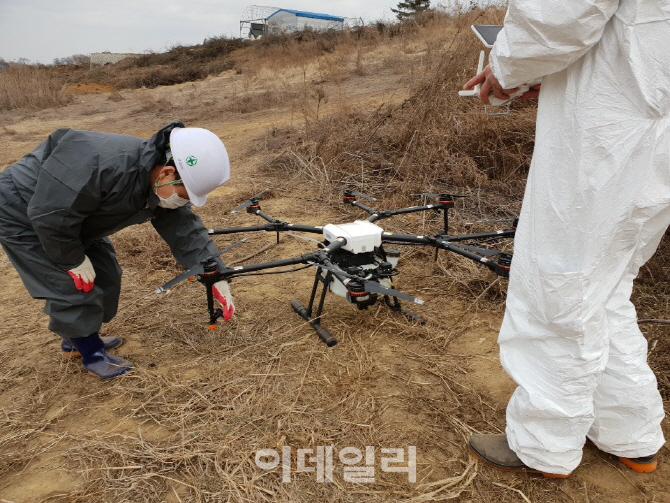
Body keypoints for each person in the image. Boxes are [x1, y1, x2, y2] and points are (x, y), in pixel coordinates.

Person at [462, 0, 669, 477]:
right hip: (652, 122)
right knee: (607, 286)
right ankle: (631, 433)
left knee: (559, 281)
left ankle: (544, 444)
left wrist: (509, 67)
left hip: (608, 130)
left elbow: (559, 13)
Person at [0, 121, 236, 380]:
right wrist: (72, 259)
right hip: (22, 211)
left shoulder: (153, 180)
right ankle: (91, 353)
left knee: (106, 275)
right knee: (72, 287)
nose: (185, 202)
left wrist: (214, 274)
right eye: (185, 195)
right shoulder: (101, 164)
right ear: (167, 173)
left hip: (73, 217)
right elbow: (49, 215)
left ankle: (76, 338)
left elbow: (186, 231)